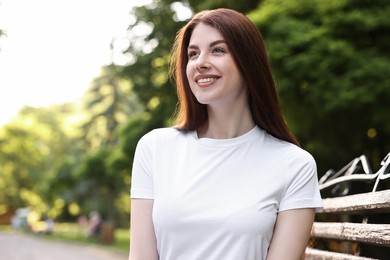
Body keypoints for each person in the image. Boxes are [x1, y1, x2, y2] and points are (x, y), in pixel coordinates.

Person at [129, 8, 323, 260]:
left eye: (218, 50)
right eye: (193, 54)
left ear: (249, 63)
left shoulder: (295, 165)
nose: (200, 63)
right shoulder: (154, 148)